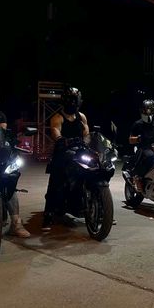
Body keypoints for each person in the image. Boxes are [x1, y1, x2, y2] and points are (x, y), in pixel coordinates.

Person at [0, 82, 30, 238]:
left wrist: (13, 141)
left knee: (10, 184)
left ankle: (16, 224)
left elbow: (3, 134)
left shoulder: (0, 115)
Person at [42, 85, 89, 231]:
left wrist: (86, 142)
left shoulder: (82, 117)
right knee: (56, 181)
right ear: (65, 100)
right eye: (71, 99)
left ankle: (98, 209)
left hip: (79, 152)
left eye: (76, 99)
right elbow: (55, 131)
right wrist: (62, 139)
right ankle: (48, 215)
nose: (73, 102)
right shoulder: (58, 117)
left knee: (93, 171)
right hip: (63, 153)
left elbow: (87, 134)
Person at [129, 99, 154, 191]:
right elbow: (130, 140)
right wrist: (139, 138)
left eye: (150, 110)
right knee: (149, 156)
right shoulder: (137, 124)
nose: (148, 112)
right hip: (144, 147)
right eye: (146, 110)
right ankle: (138, 178)